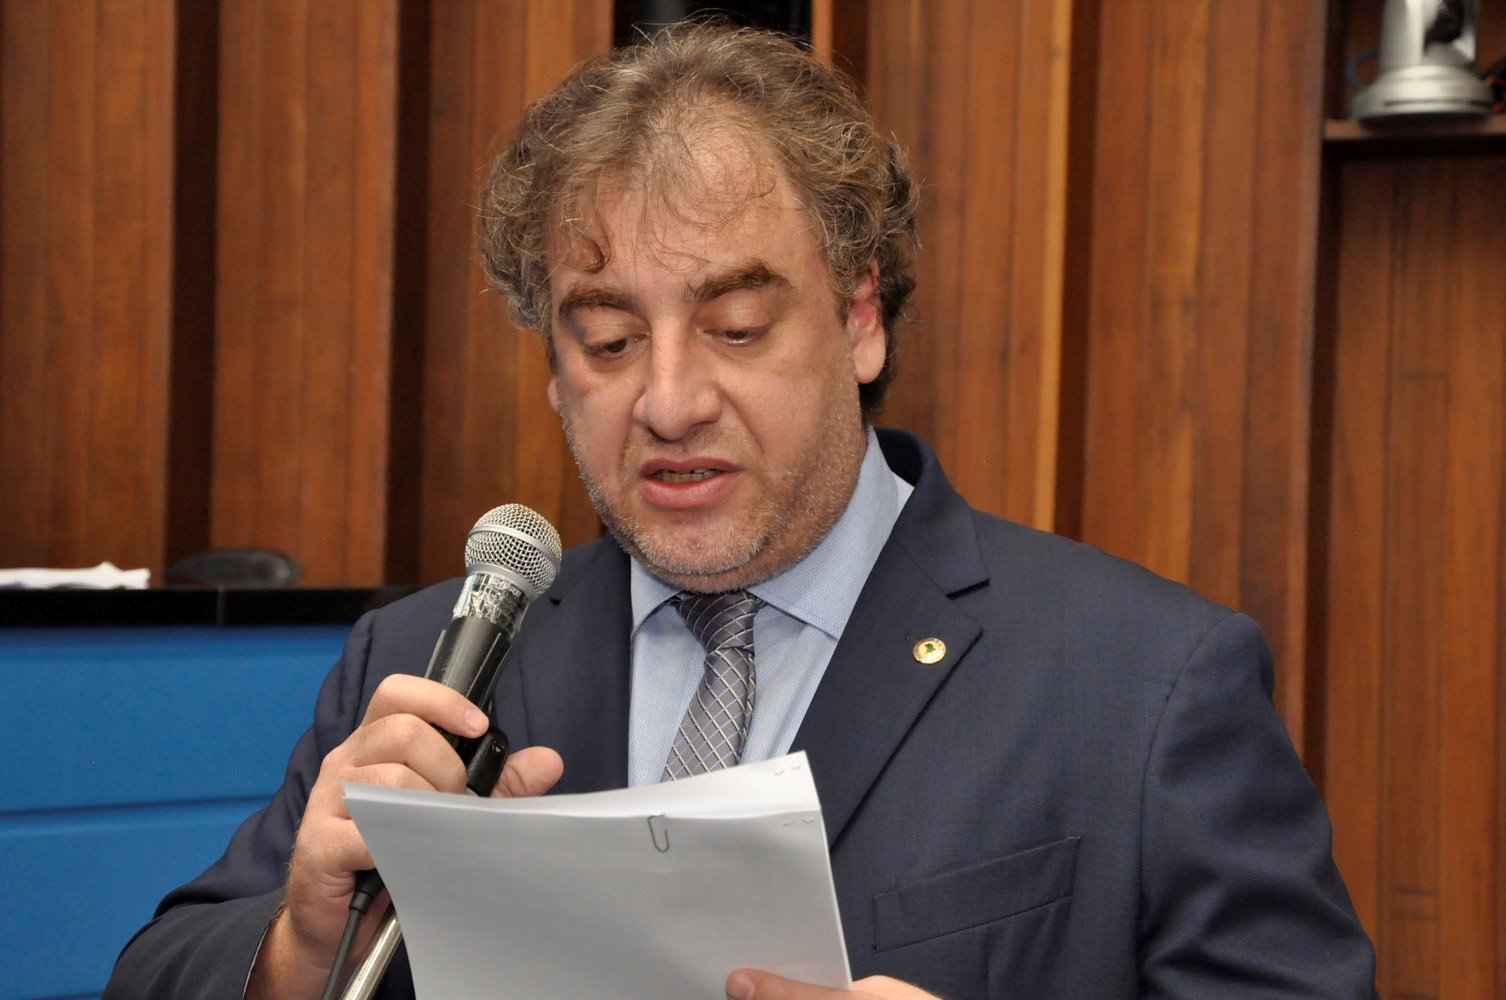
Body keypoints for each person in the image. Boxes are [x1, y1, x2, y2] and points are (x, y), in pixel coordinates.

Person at [105, 21, 1377, 1000]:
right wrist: (298, 945)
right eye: (608, 341)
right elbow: (155, 970)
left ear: (861, 317)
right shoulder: (436, 665)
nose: (667, 402)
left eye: (736, 326)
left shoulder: (1147, 686)